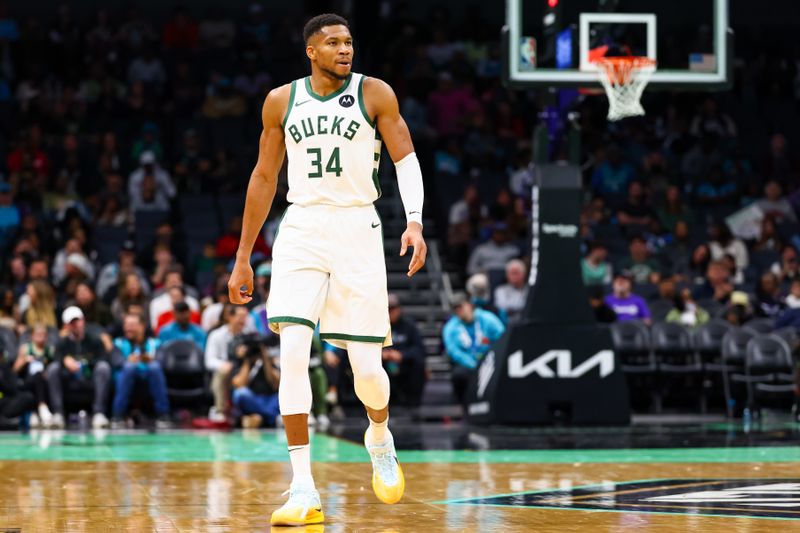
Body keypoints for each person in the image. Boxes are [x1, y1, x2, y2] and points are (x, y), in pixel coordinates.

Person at [227, 13, 428, 526]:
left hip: (358, 227)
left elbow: (405, 158)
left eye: (349, 42)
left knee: (368, 373)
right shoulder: (280, 100)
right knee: (292, 352)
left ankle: (379, 434)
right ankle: (302, 488)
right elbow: (264, 174)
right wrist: (244, 254)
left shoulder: (375, 93)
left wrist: (414, 221)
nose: (345, 50)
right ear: (311, 52)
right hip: (301, 228)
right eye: (333, 43)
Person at [46, 307, 112, 429]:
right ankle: (58, 414)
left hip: (90, 378)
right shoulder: (61, 343)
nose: (75, 325)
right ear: (66, 326)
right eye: (71, 323)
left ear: (83, 321)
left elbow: (104, 358)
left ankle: (99, 413)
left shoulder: (94, 340)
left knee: (103, 367)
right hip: (69, 379)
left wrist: (86, 363)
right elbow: (54, 358)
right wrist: (64, 360)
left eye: (77, 321)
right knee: (53, 369)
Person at [442, 292, 505, 406]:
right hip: (468, 363)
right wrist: (473, 364)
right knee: (459, 374)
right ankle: (462, 405)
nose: (459, 311)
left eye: (461, 306)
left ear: (469, 305)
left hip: (490, 359)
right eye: (456, 309)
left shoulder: (488, 319)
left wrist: (492, 358)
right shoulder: (450, 327)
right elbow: (454, 351)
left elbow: (502, 338)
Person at [111, 313, 171, 429]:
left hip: (149, 376)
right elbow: (116, 361)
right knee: (129, 367)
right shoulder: (118, 343)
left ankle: (163, 414)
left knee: (155, 367)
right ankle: (117, 415)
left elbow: (162, 361)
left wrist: (150, 360)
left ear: (142, 327)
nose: (128, 328)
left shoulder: (155, 343)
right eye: (126, 325)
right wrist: (128, 360)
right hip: (126, 377)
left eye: (132, 325)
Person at [204, 305, 249, 422]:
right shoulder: (216, 335)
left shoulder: (248, 336)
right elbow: (209, 360)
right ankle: (219, 410)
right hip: (225, 371)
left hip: (243, 371)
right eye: (239, 316)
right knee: (221, 372)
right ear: (230, 317)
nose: (242, 320)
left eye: (245, 317)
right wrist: (222, 365)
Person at [382, 294, 426, 409]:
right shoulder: (377, 326)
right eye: (388, 309)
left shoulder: (409, 326)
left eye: (393, 309)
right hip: (382, 365)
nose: (391, 312)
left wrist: (402, 355)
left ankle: (413, 405)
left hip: (404, 364)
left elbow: (419, 349)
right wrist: (382, 355)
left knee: (418, 363)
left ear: (399, 309)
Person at [230, 334, 281, 428]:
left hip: (269, 399)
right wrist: (246, 360)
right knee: (240, 394)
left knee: (282, 396)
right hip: (253, 399)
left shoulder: (269, 361)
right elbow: (240, 385)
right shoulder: (240, 362)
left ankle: (258, 418)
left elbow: (277, 385)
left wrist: (265, 359)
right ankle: (270, 418)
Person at [12, 323, 54, 428]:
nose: (41, 337)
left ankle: (37, 412)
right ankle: (41, 407)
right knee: (37, 377)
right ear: (32, 336)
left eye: (43, 334)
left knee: (41, 378)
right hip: (27, 381)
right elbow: (14, 370)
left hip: (44, 382)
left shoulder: (50, 350)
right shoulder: (26, 348)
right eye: (38, 334)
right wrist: (24, 360)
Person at [493, 259, 528, 325]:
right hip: (507, 325)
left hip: (525, 324)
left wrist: (512, 309)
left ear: (524, 274)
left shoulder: (529, 290)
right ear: (507, 275)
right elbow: (502, 307)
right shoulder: (500, 290)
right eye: (512, 273)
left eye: (516, 273)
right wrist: (520, 308)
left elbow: (529, 307)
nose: (514, 277)